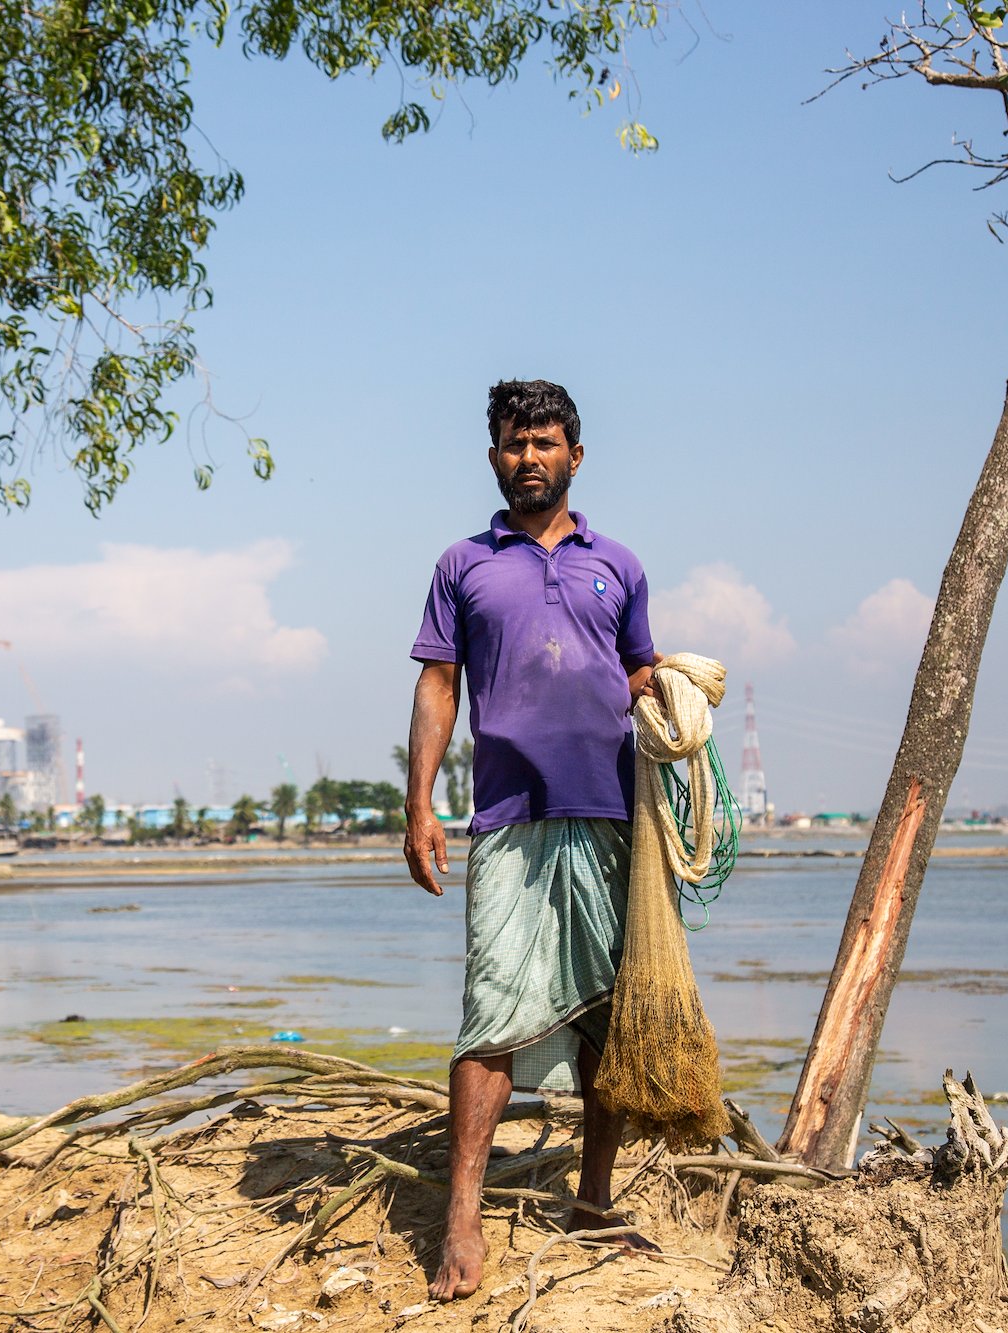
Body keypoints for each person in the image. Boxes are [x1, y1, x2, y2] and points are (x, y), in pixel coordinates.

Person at [404, 379, 662, 1301]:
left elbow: (639, 673)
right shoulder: (463, 565)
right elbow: (439, 686)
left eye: (545, 442)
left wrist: (675, 699)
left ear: (575, 456)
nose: (530, 458)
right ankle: (463, 1216)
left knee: (604, 1011)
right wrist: (420, 803)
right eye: (515, 444)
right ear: (493, 457)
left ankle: (592, 1194)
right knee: (492, 1011)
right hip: (506, 819)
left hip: (608, 816)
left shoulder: (618, 565)